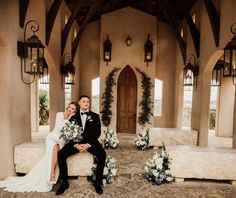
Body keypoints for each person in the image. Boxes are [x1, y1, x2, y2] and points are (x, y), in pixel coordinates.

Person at [0, 102, 79, 192]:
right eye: (69, 107)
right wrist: (68, 118)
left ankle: (48, 174)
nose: (69, 109)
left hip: (61, 142)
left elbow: (70, 133)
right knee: (55, 148)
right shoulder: (59, 114)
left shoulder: (74, 119)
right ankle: (51, 173)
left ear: (75, 111)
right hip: (52, 138)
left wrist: (70, 121)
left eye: (72, 109)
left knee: (54, 153)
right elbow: (59, 128)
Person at [54, 95, 106, 195]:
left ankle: (97, 181)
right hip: (75, 142)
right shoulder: (73, 116)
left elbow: (97, 133)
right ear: (79, 103)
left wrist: (88, 144)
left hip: (91, 143)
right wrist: (76, 145)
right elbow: (68, 131)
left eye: (88, 101)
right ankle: (64, 182)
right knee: (61, 155)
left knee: (102, 154)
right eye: (84, 101)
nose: (86, 103)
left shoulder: (95, 116)